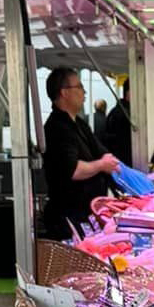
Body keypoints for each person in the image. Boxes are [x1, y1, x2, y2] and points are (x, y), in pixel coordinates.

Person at [40, 66, 119, 239]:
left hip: (86, 214)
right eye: (79, 87)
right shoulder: (57, 128)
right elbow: (73, 170)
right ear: (64, 93)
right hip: (67, 218)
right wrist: (101, 165)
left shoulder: (79, 124)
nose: (84, 93)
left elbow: (101, 152)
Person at [103, 84, 133, 168]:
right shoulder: (124, 114)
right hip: (122, 164)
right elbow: (126, 142)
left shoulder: (118, 111)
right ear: (128, 93)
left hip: (119, 161)